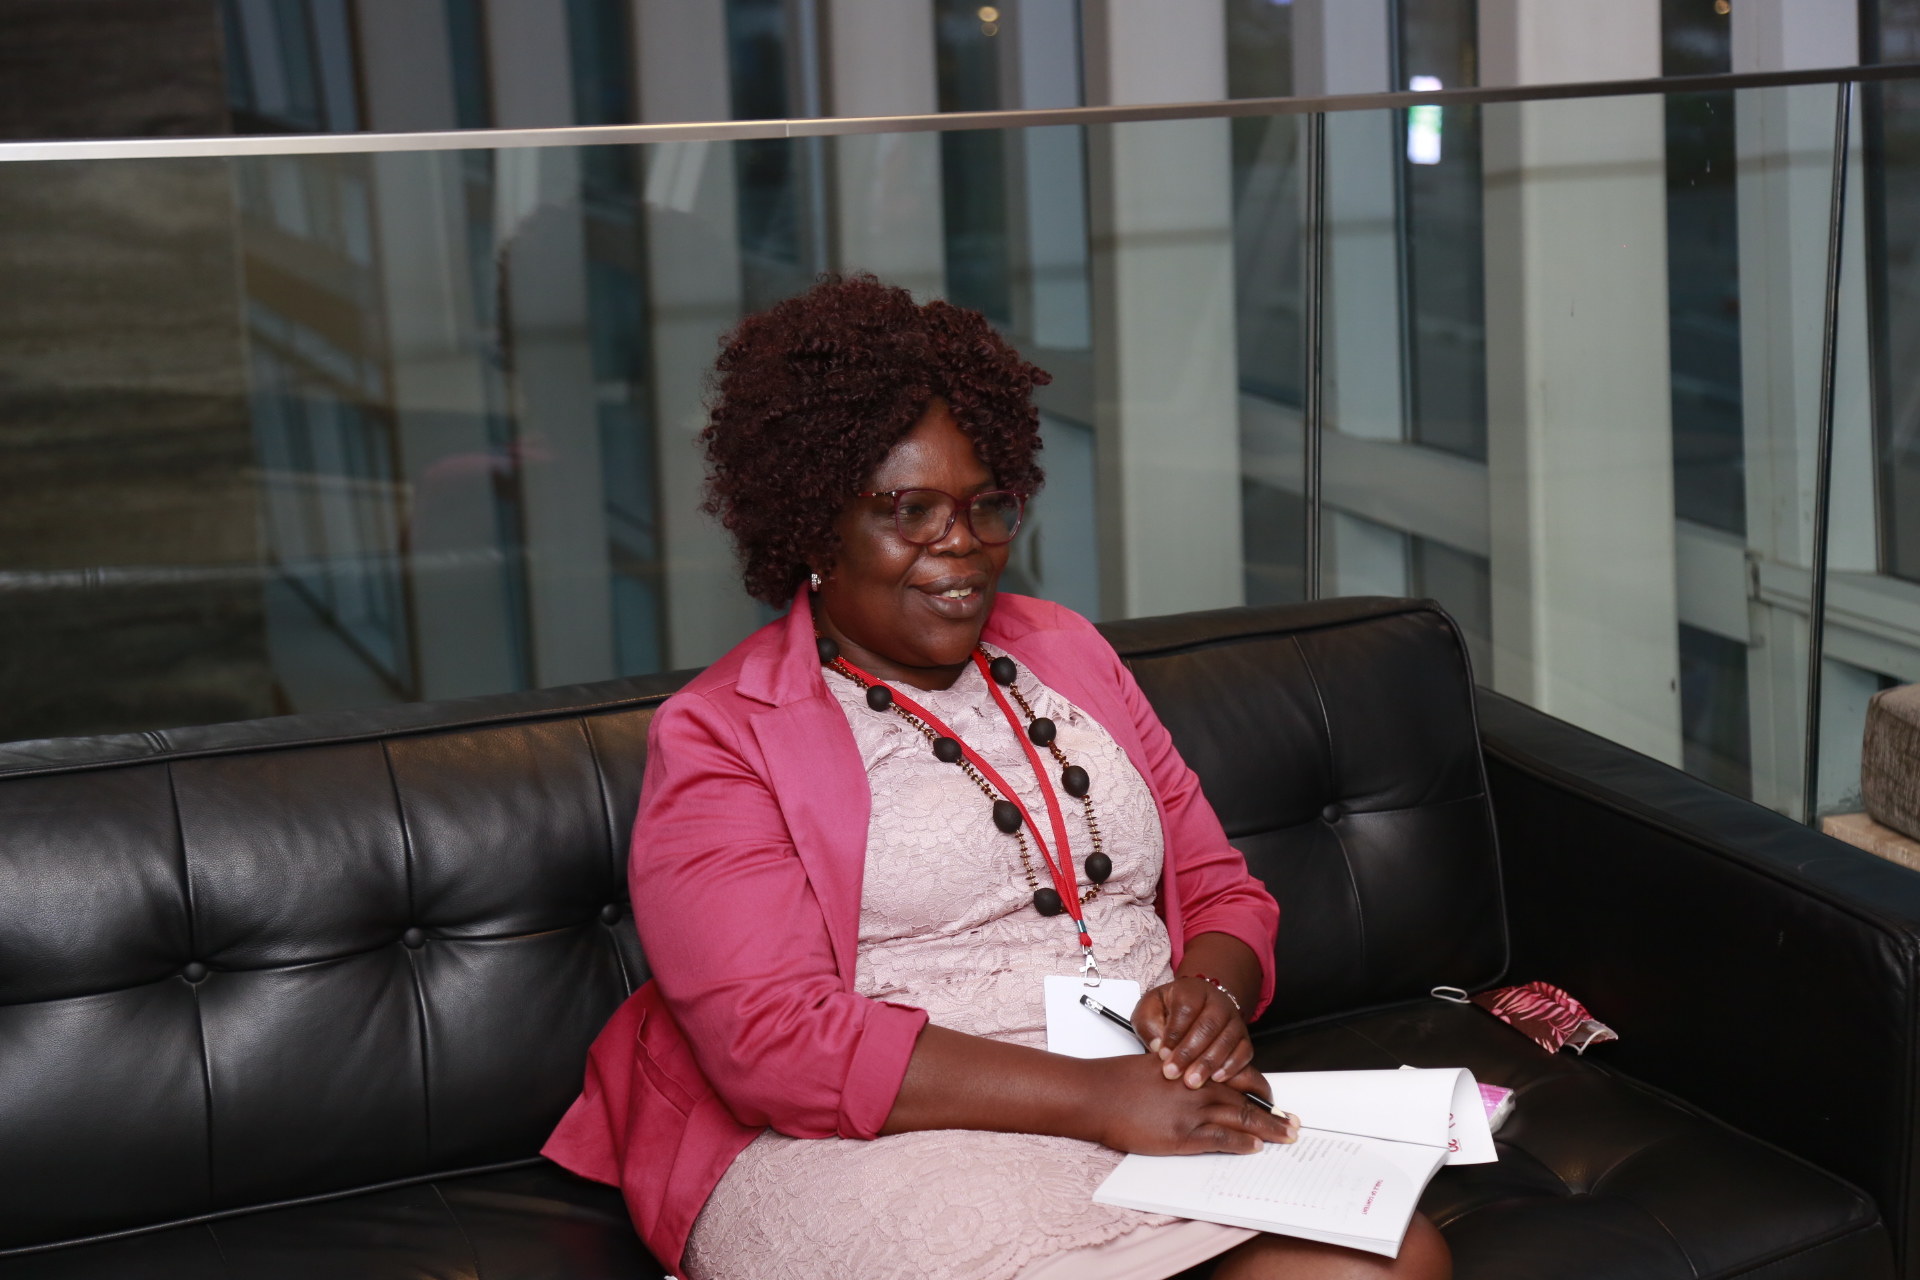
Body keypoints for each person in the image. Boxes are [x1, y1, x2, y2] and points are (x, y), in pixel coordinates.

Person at [544, 276, 1451, 1280]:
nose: (962, 543)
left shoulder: (1065, 651)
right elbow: (773, 1042)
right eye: (911, 510)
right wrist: (1096, 1098)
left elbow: (1217, 884)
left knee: (1394, 1261)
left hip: (1147, 1088)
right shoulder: (725, 733)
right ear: (812, 527)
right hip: (874, 1132)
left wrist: (1208, 995)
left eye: (986, 506)